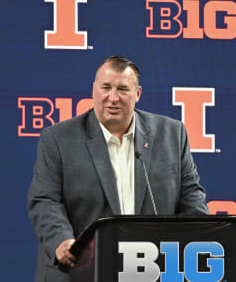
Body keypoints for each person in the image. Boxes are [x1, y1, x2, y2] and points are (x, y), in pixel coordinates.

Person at [27, 55, 209, 282]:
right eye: (106, 88)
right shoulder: (58, 139)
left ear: (138, 94)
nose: (112, 98)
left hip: (150, 271)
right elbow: (45, 200)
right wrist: (62, 240)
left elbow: (191, 196)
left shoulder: (171, 134)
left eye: (123, 89)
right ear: (94, 91)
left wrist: (208, 236)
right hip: (82, 271)